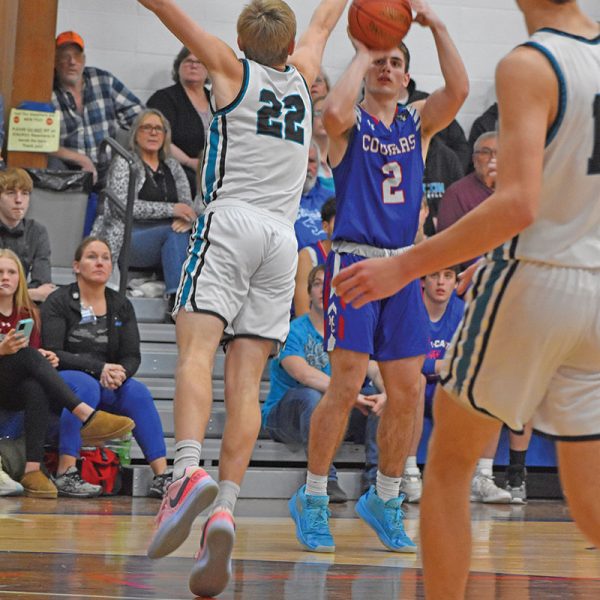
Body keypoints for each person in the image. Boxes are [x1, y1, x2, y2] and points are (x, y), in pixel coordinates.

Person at [332, 1, 600, 597]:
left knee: (449, 467)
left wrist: (404, 264)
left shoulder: (532, 62)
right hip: (597, 287)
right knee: (590, 504)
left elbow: (518, 202)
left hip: (540, 278)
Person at [137, 0, 349, 597]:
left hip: (230, 222)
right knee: (247, 378)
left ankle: (183, 472)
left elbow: (168, 14)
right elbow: (326, 20)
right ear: (287, 48)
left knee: (195, 349)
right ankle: (224, 508)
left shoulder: (229, 69)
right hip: (283, 241)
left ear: (240, 39)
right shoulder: (304, 75)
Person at [290, 0, 468, 554]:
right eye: (379, 63)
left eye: (395, 63)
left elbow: (459, 90)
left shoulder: (418, 124)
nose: (386, 69)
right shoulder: (350, 125)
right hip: (353, 262)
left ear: (408, 76)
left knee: (409, 390)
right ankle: (313, 496)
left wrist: (436, 25)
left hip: (402, 265)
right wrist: (363, 50)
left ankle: (386, 496)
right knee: (345, 383)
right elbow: (332, 116)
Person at [41, 237, 170, 499]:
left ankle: (162, 476)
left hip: (106, 380)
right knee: (86, 386)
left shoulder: (121, 305)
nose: (100, 262)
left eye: (105, 257)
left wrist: (120, 373)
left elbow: (132, 355)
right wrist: (99, 368)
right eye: (92, 257)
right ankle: (66, 472)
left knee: (137, 392)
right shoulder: (58, 301)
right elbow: (54, 352)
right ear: (76, 266)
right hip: (65, 380)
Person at [0, 248, 134, 498]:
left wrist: (45, 356)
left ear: (19, 278)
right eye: (0, 272)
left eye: (10, 272)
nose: (5, 277)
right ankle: (84, 414)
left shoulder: (28, 313)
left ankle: (32, 470)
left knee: (35, 384)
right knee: (28, 355)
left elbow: (33, 354)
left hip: (12, 386)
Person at [264, 265, 384, 503]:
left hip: (336, 413)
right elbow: (304, 373)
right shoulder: (292, 330)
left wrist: (387, 392)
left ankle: (375, 483)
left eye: (330, 284)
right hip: (286, 417)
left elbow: (374, 368)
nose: (323, 290)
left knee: (374, 396)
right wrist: (349, 394)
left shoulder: (346, 334)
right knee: (312, 396)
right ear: (308, 292)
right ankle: (324, 479)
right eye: (318, 283)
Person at [405, 267, 512, 504]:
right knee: (417, 381)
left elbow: (473, 358)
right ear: (422, 281)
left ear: (456, 282)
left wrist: (440, 366)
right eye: (434, 275)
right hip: (411, 385)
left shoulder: (463, 311)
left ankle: (482, 476)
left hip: (449, 387)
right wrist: (440, 365)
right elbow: (401, 360)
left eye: (448, 276)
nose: (441, 282)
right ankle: (408, 473)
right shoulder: (410, 309)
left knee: (491, 387)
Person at [92, 108, 195, 310]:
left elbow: (187, 206)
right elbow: (124, 206)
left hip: (167, 238)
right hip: (129, 235)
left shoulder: (173, 166)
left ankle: (180, 298)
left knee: (181, 233)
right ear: (135, 134)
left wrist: (186, 219)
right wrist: (172, 210)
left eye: (159, 128)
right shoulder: (125, 162)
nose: (153, 133)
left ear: (166, 135)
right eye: (146, 127)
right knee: (172, 232)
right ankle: (178, 302)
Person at [50, 31, 143, 185]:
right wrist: (81, 159)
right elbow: (38, 142)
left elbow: (139, 116)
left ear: (84, 59)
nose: (72, 61)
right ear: (54, 60)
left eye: (77, 55)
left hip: (107, 168)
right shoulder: (45, 89)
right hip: (67, 170)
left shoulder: (103, 80)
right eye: (64, 56)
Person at [147, 48, 211, 196]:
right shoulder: (164, 98)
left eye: (199, 62)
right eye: (188, 61)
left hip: (212, 168)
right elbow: (159, 140)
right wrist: (190, 162)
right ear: (178, 67)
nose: (193, 65)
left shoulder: (216, 99)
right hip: (178, 167)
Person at [0, 168, 56, 302]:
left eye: (25, 193)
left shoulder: (37, 231)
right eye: (11, 193)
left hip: (22, 308)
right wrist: (32, 294)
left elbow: (43, 284)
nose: (19, 200)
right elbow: (39, 293)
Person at [437, 131, 498, 232]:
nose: (493, 158)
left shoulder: (519, 189)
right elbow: (447, 239)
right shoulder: (457, 194)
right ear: (474, 159)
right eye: (486, 152)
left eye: (500, 152)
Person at [293, 197, 335, 317]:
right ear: (325, 226)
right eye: (338, 223)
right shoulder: (308, 255)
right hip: (311, 332)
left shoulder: (352, 257)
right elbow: (302, 312)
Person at [294, 142, 334, 250]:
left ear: (319, 165)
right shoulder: (281, 196)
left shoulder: (331, 198)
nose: (306, 167)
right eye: (302, 160)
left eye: (311, 161)